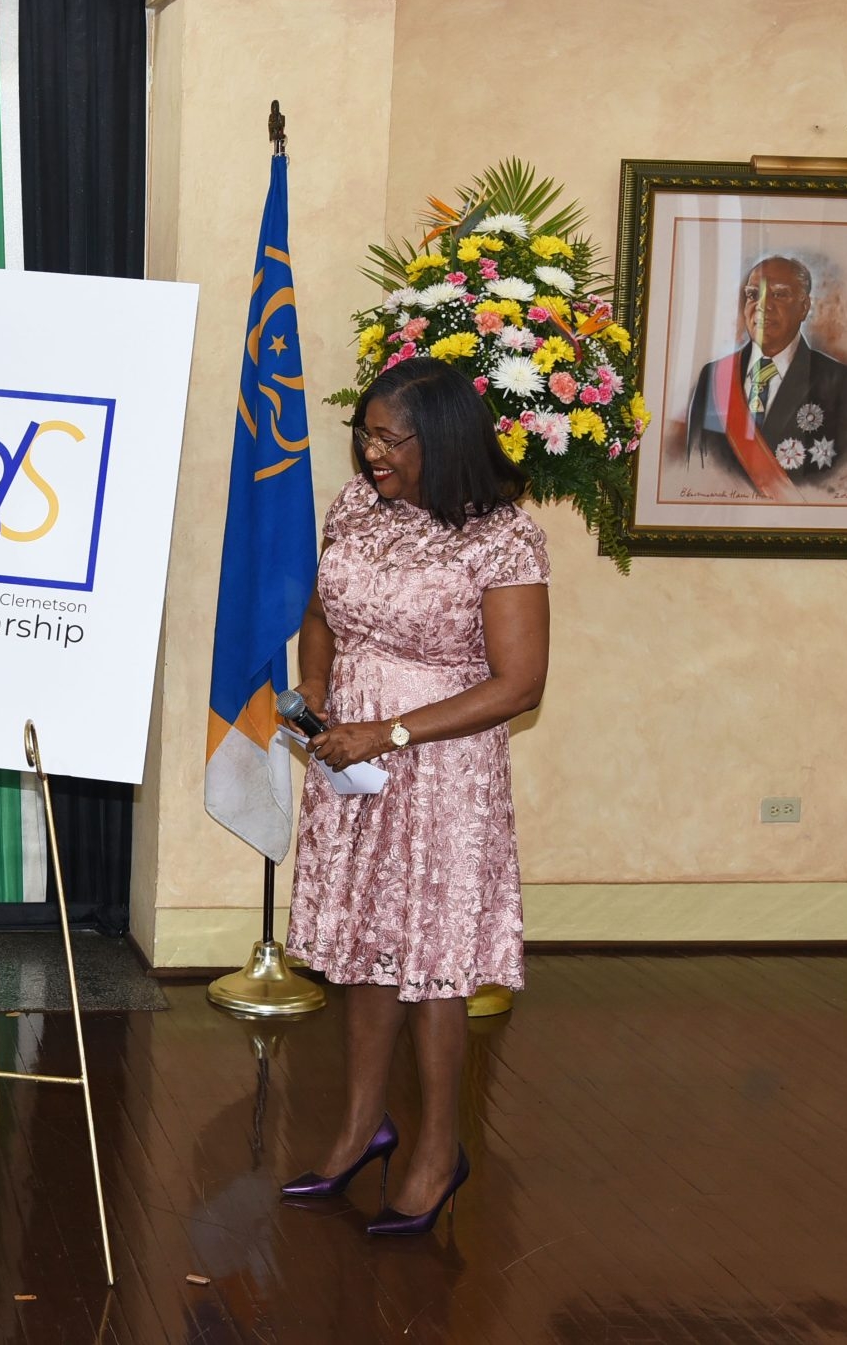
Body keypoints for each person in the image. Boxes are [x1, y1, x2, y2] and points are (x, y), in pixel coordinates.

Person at [280, 357, 550, 1235]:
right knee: (363, 946)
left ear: (443, 439)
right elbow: (321, 610)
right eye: (365, 432)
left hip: (441, 765)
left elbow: (519, 684)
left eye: (391, 438)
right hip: (350, 754)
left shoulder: (502, 535)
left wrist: (389, 732)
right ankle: (363, 1127)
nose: (371, 451)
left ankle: (439, 1150)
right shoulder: (356, 506)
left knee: (433, 963)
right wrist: (317, 688)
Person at [683, 255, 847, 501]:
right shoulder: (714, 377)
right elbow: (695, 470)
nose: (763, 305)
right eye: (753, 295)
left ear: (804, 307)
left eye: (779, 294)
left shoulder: (843, 384)